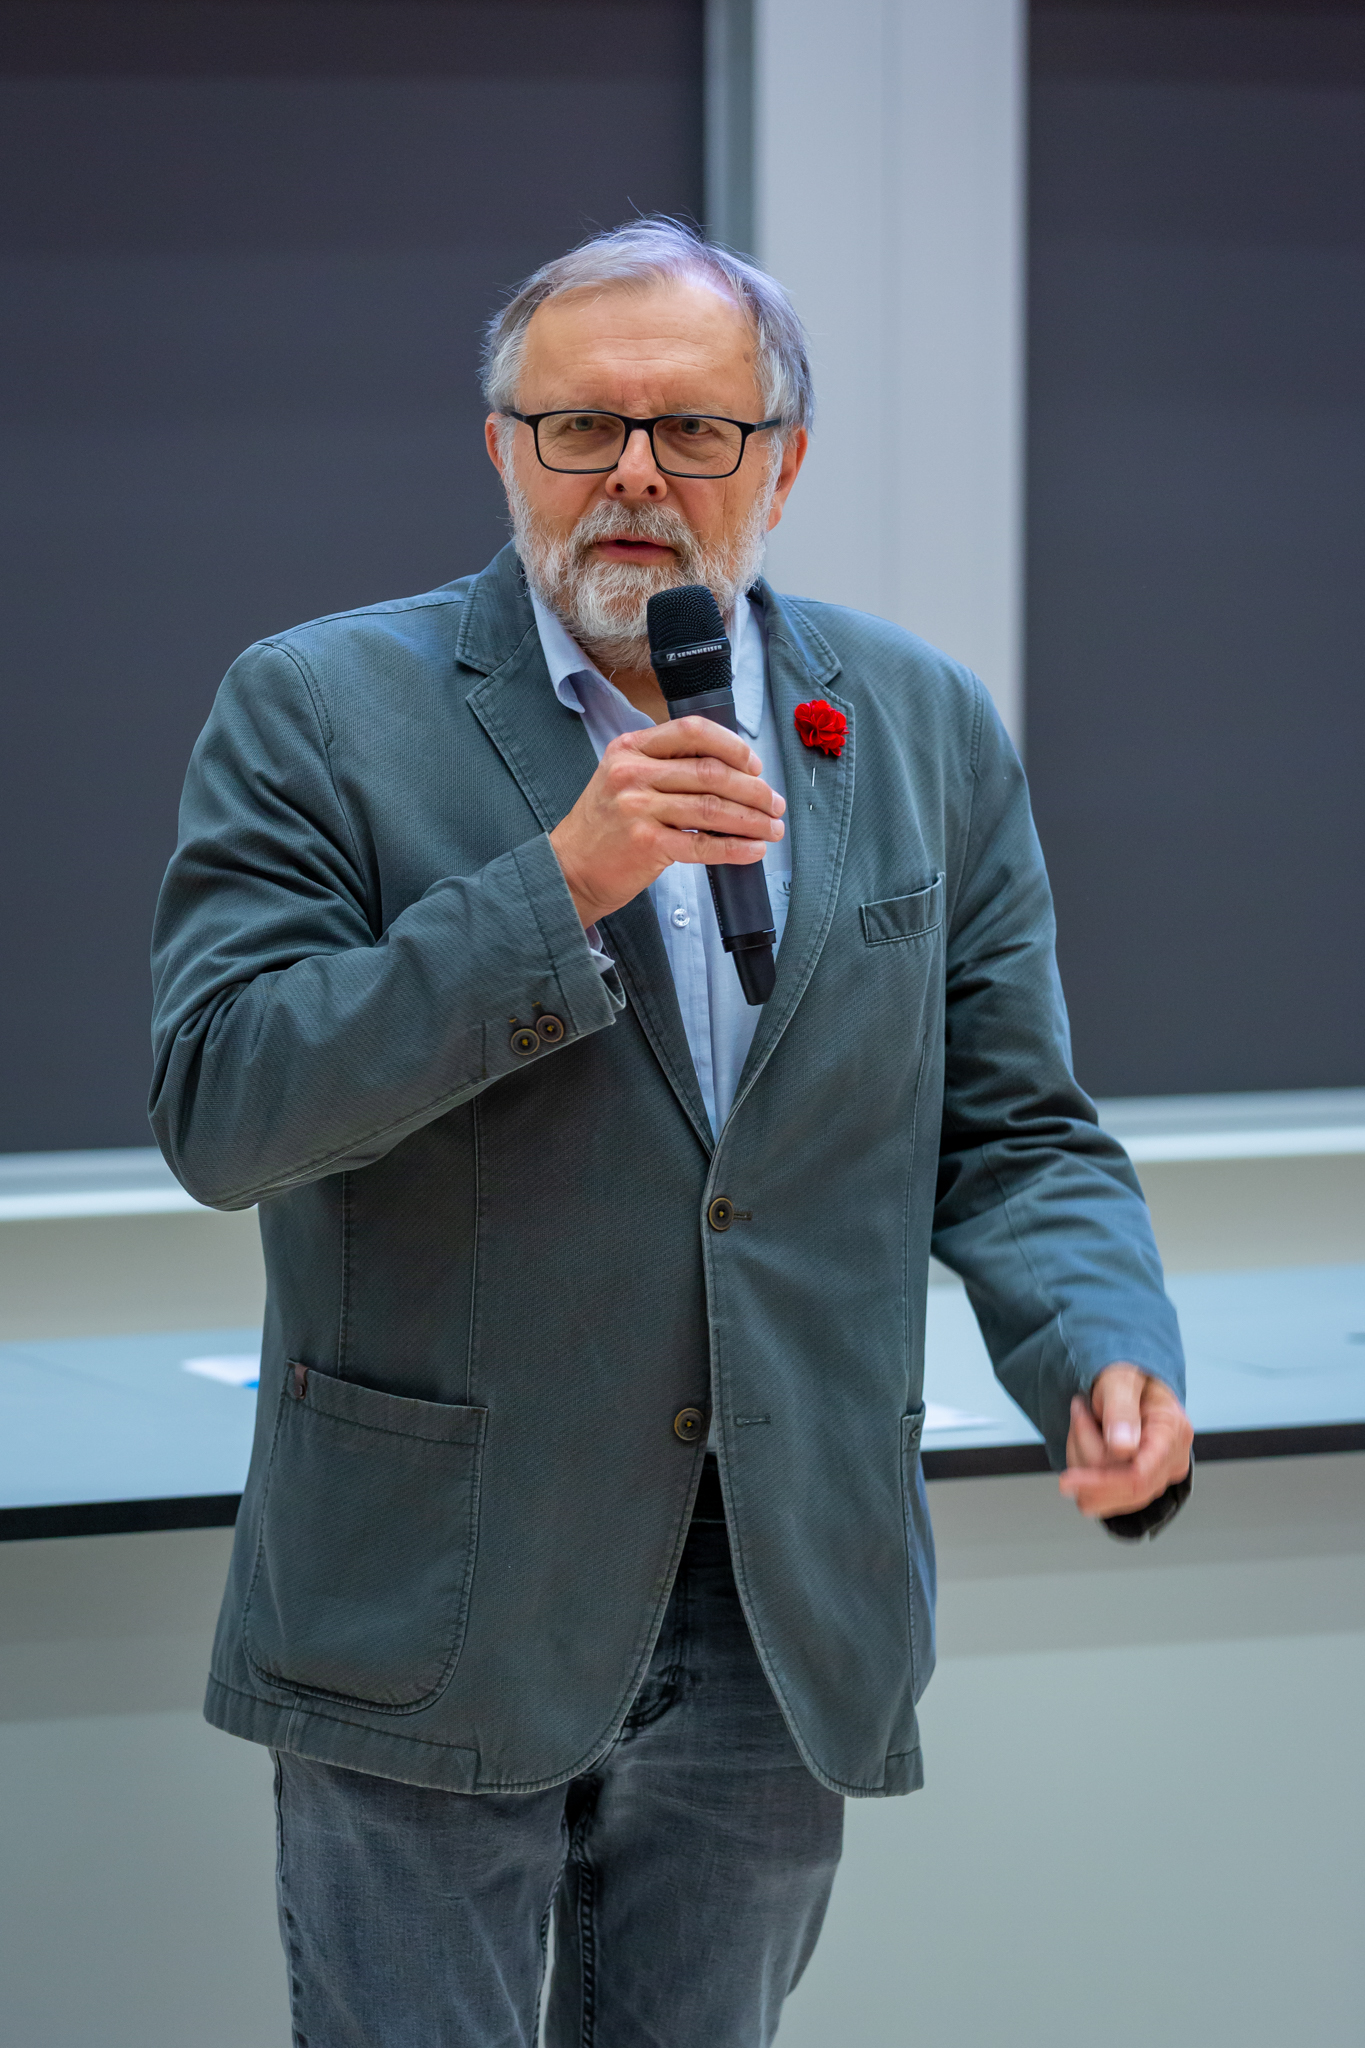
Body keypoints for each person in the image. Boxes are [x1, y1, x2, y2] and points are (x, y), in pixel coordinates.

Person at [150, 218, 1192, 2047]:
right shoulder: (317, 707)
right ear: (501, 447)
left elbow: (1015, 1126)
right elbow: (227, 1105)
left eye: (694, 429)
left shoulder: (916, 724)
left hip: (778, 1594)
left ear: (780, 462)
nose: (634, 475)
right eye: (581, 426)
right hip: (437, 1588)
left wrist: (1102, 1347)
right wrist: (556, 890)